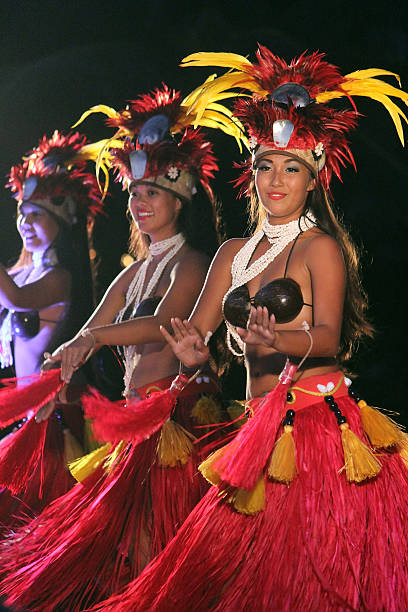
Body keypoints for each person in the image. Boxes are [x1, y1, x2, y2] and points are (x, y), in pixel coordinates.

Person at [84, 48, 408, 611]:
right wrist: (190, 354)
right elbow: (199, 333)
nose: (275, 180)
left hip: (315, 429)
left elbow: (328, 337)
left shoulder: (319, 248)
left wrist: (275, 340)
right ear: (250, 171)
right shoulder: (234, 253)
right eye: (265, 166)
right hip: (255, 430)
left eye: (291, 168)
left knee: (312, 585)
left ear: (313, 181)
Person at [0, 85, 233, 611]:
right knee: (122, 554)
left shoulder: (191, 260)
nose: (140, 202)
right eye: (135, 193)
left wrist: (95, 337)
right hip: (133, 418)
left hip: (174, 417)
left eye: (152, 192)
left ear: (182, 197)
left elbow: (162, 324)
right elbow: (95, 323)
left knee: (157, 553)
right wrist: (67, 356)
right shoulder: (136, 271)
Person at [0, 130, 103, 534]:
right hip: (25, 409)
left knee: (43, 517)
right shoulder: (19, 269)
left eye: (36, 215)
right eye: (22, 214)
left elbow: (20, 299)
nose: (25, 223)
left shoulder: (59, 276)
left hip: (54, 410)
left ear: (62, 221)